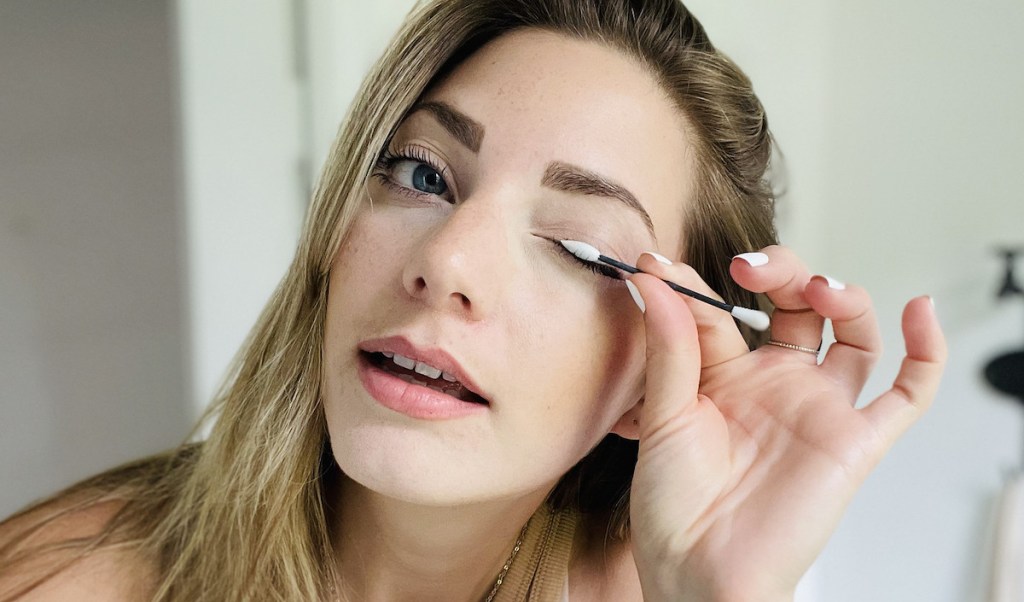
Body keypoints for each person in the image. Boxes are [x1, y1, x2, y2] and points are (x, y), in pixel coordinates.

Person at [0, 0, 947, 600]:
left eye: (582, 249)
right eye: (421, 174)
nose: (448, 261)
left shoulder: (702, 583)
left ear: (656, 375)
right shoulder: (67, 579)